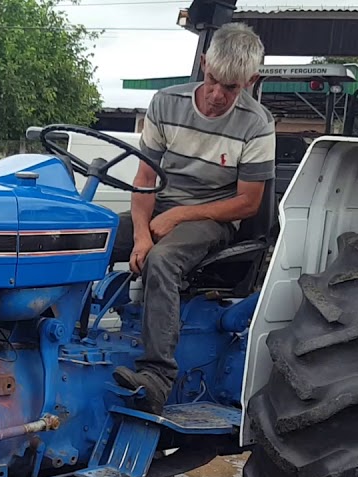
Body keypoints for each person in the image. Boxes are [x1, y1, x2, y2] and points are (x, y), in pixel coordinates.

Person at [110, 21, 275, 415]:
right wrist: (140, 235)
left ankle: (156, 377)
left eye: (232, 88)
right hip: (160, 207)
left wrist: (180, 216)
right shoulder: (166, 103)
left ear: (251, 81)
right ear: (204, 63)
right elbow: (145, 180)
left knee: (163, 261)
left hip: (213, 218)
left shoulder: (257, 124)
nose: (218, 95)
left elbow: (247, 204)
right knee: (88, 235)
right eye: (214, 80)